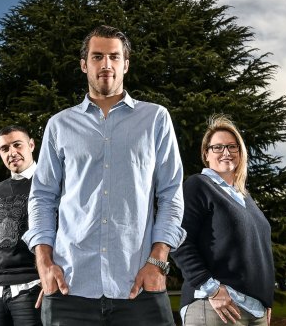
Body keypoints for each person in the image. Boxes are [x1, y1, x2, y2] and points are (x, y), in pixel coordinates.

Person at [23, 25, 186, 326]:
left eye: (114, 56)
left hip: (140, 286)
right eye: (97, 56)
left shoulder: (156, 119)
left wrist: (158, 260)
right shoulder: (59, 125)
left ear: (126, 64)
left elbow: (171, 194)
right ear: (85, 64)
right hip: (70, 288)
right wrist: (44, 263)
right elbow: (42, 197)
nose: (106, 64)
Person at [171, 115, 275, 326]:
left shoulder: (245, 197)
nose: (226, 152)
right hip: (216, 307)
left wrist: (266, 301)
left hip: (256, 311)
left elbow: (259, 252)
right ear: (206, 154)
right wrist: (211, 288)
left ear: (240, 152)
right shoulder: (198, 185)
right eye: (217, 147)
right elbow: (177, 239)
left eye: (231, 146)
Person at [0, 125, 42, 326]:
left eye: (17, 145)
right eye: (4, 148)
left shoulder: (49, 183)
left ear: (31, 145)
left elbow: (65, 234)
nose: (12, 152)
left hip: (33, 287)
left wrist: (50, 280)